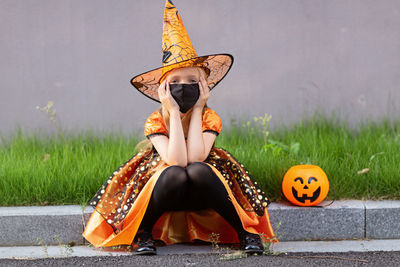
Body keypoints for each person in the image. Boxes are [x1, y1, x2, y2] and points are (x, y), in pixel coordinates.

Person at [82, 0, 276, 256]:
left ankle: (245, 232)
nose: (183, 86)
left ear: (204, 86)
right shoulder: (156, 120)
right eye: (175, 81)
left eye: (192, 81)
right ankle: (143, 232)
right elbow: (176, 161)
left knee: (198, 170)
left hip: (202, 190)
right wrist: (173, 112)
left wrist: (197, 109)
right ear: (163, 89)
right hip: (168, 191)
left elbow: (195, 158)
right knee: (175, 172)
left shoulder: (209, 117)